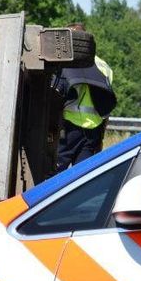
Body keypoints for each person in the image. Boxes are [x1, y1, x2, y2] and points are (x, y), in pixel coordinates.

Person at [54, 23, 117, 171]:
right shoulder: (103, 65)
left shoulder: (63, 61)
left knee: (53, 178)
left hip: (67, 129)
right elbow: (106, 104)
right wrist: (101, 136)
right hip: (93, 131)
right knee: (83, 179)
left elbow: (55, 94)